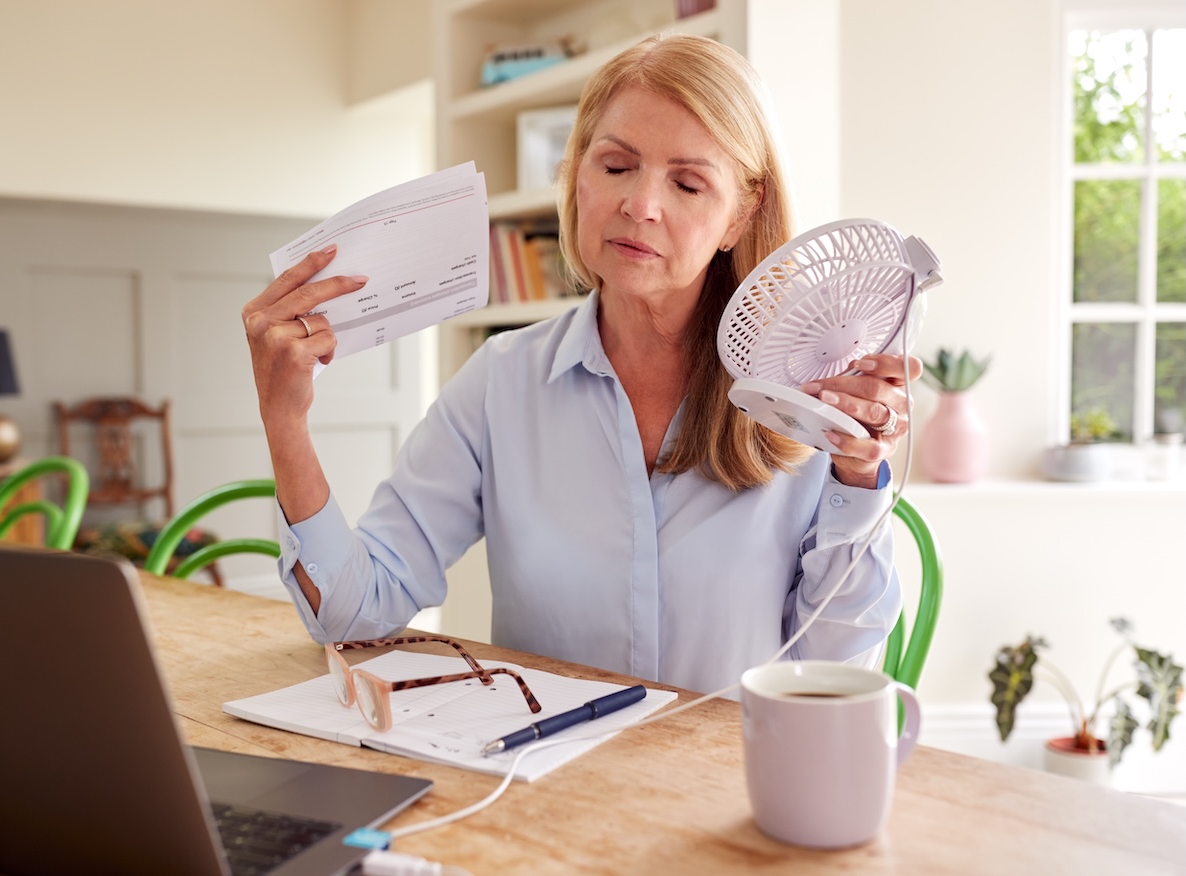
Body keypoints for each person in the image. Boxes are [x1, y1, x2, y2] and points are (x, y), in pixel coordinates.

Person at [242, 34, 921, 695]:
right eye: (615, 166)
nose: (639, 205)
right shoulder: (500, 382)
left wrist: (856, 478)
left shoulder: (800, 395)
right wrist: (285, 417)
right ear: (576, 176)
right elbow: (353, 613)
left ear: (742, 216)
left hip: (732, 787)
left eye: (687, 183)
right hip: (551, 790)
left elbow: (837, 664)